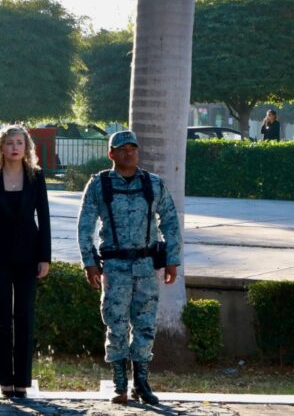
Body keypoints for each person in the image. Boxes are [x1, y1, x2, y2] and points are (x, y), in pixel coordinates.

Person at [76, 130, 182, 405]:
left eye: (133, 148)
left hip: (146, 266)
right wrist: (89, 263)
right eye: (122, 149)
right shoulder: (99, 185)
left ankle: (142, 381)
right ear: (111, 154)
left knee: (146, 324)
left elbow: (170, 221)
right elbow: (85, 226)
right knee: (116, 323)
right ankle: (120, 382)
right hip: (115, 266)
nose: (129, 153)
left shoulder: (152, 183)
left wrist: (172, 259)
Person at [0, 125, 51, 399]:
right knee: (1, 316)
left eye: (19, 143)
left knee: (24, 315)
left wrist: (45, 257)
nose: (15, 147)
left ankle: (22, 381)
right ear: (1, 148)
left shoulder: (36, 177)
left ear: (26, 147)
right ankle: (3, 380)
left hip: (29, 255)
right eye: (9, 143)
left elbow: (44, 217)